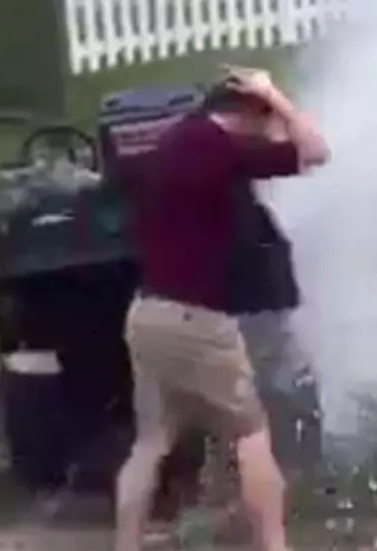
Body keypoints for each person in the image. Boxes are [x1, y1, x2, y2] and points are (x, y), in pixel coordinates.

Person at [115, 66, 329, 551]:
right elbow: (315, 150)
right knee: (251, 435)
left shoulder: (172, 143)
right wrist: (273, 93)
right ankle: (274, 545)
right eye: (263, 117)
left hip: (146, 313)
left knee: (150, 444)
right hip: (198, 320)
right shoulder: (221, 149)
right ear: (247, 114)